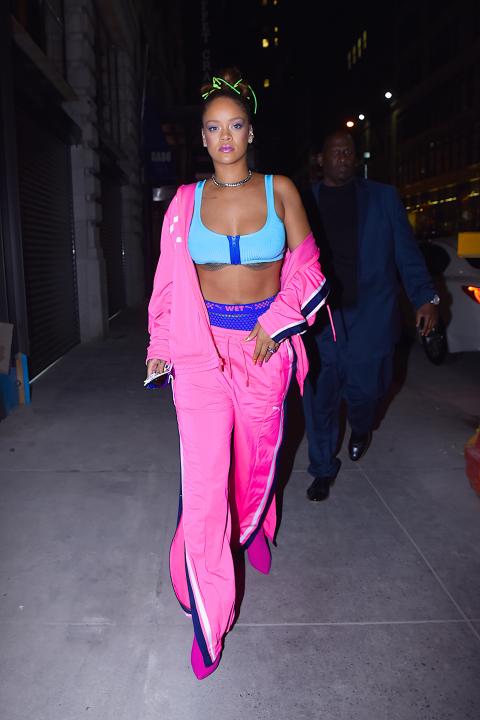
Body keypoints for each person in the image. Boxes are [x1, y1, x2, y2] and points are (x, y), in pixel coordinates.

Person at [145, 68, 329, 679]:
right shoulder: (184, 202)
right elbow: (168, 281)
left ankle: (254, 526)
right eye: (212, 128)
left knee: (253, 464)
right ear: (201, 136)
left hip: (263, 350)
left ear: (251, 131)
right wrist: (160, 343)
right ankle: (209, 615)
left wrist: (277, 323)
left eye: (235, 125)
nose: (224, 137)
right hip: (200, 351)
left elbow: (309, 269)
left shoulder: (281, 191)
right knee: (203, 486)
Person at [302, 130, 439, 502]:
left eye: (348, 151)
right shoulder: (304, 202)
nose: (343, 157)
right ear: (321, 160)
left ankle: (361, 426)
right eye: (336, 151)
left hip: (371, 318)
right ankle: (322, 468)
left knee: (368, 391)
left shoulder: (383, 198)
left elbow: (406, 253)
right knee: (320, 399)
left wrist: (425, 297)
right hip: (321, 321)